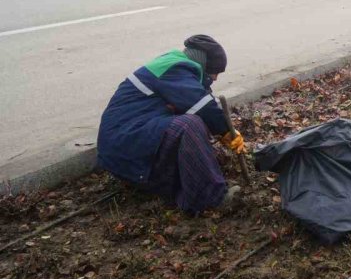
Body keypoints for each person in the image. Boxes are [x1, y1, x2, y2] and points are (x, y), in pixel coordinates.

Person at [97, 35, 245, 214]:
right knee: (188, 125)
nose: (215, 78)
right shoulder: (174, 68)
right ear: (203, 64)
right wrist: (225, 130)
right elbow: (201, 105)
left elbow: (198, 102)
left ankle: (187, 183)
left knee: (191, 120)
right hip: (124, 144)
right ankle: (210, 199)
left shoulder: (173, 68)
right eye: (215, 71)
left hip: (130, 143)